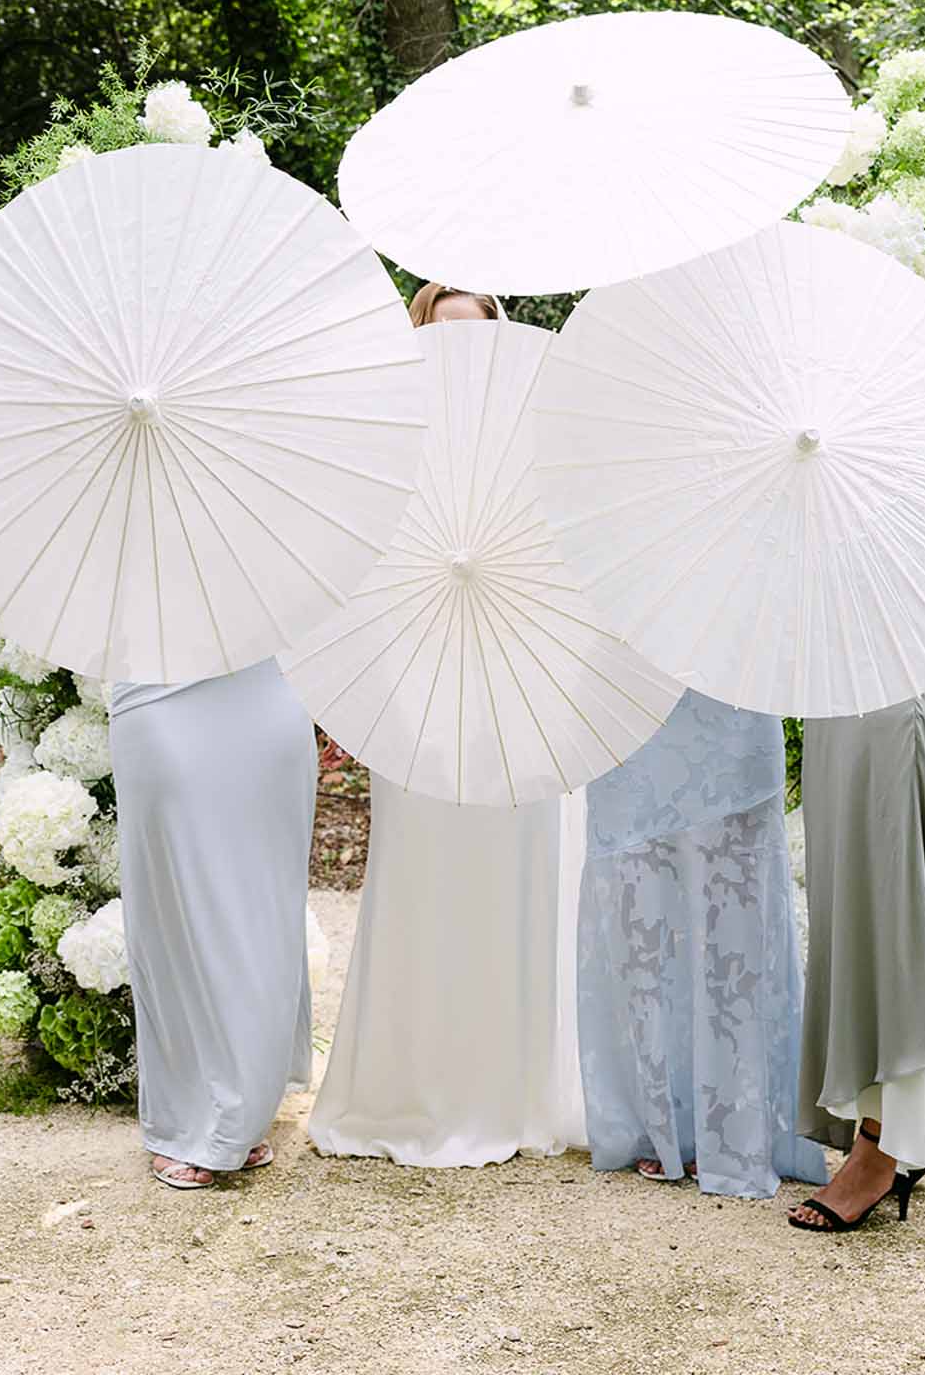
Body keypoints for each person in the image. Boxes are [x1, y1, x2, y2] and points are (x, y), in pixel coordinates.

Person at [308, 284, 584, 1166]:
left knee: (516, 880)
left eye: (480, 342)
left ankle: (512, 1084)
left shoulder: (540, 443)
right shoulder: (384, 449)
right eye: (444, 341)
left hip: (522, 687)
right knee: (425, 879)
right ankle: (412, 1086)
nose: (464, 362)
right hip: (418, 694)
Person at [578, 687, 825, 1198]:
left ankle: (734, 1128)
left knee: (731, 906)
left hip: (728, 690)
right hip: (629, 693)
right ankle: (660, 1121)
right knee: (640, 900)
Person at [109, 659, 317, 1190]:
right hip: (159, 696)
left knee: (261, 910)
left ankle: (240, 1111)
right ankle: (195, 1117)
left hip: (264, 694)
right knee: (176, 917)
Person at [788, 678, 925, 1231]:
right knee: (851, 908)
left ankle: (881, 1147)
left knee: (893, 917)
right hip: (834, 701)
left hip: (895, 700)